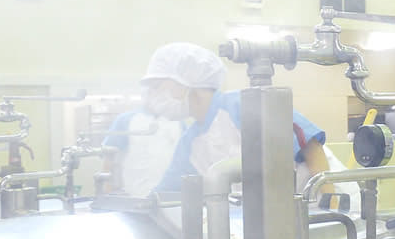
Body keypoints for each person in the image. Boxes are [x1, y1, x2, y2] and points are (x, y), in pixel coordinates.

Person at [153, 45, 337, 194]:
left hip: (326, 205)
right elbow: (166, 191)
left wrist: (332, 203)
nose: (157, 96)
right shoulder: (190, 142)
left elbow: (311, 146)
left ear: (187, 83)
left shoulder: (240, 105)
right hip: (277, 219)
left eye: (161, 87)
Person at [105, 43, 213, 197]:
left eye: (161, 90)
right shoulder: (125, 120)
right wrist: (108, 191)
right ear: (145, 95)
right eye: (153, 91)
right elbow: (109, 158)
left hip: (171, 196)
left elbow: (188, 157)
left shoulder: (177, 120)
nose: (158, 95)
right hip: (135, 195)